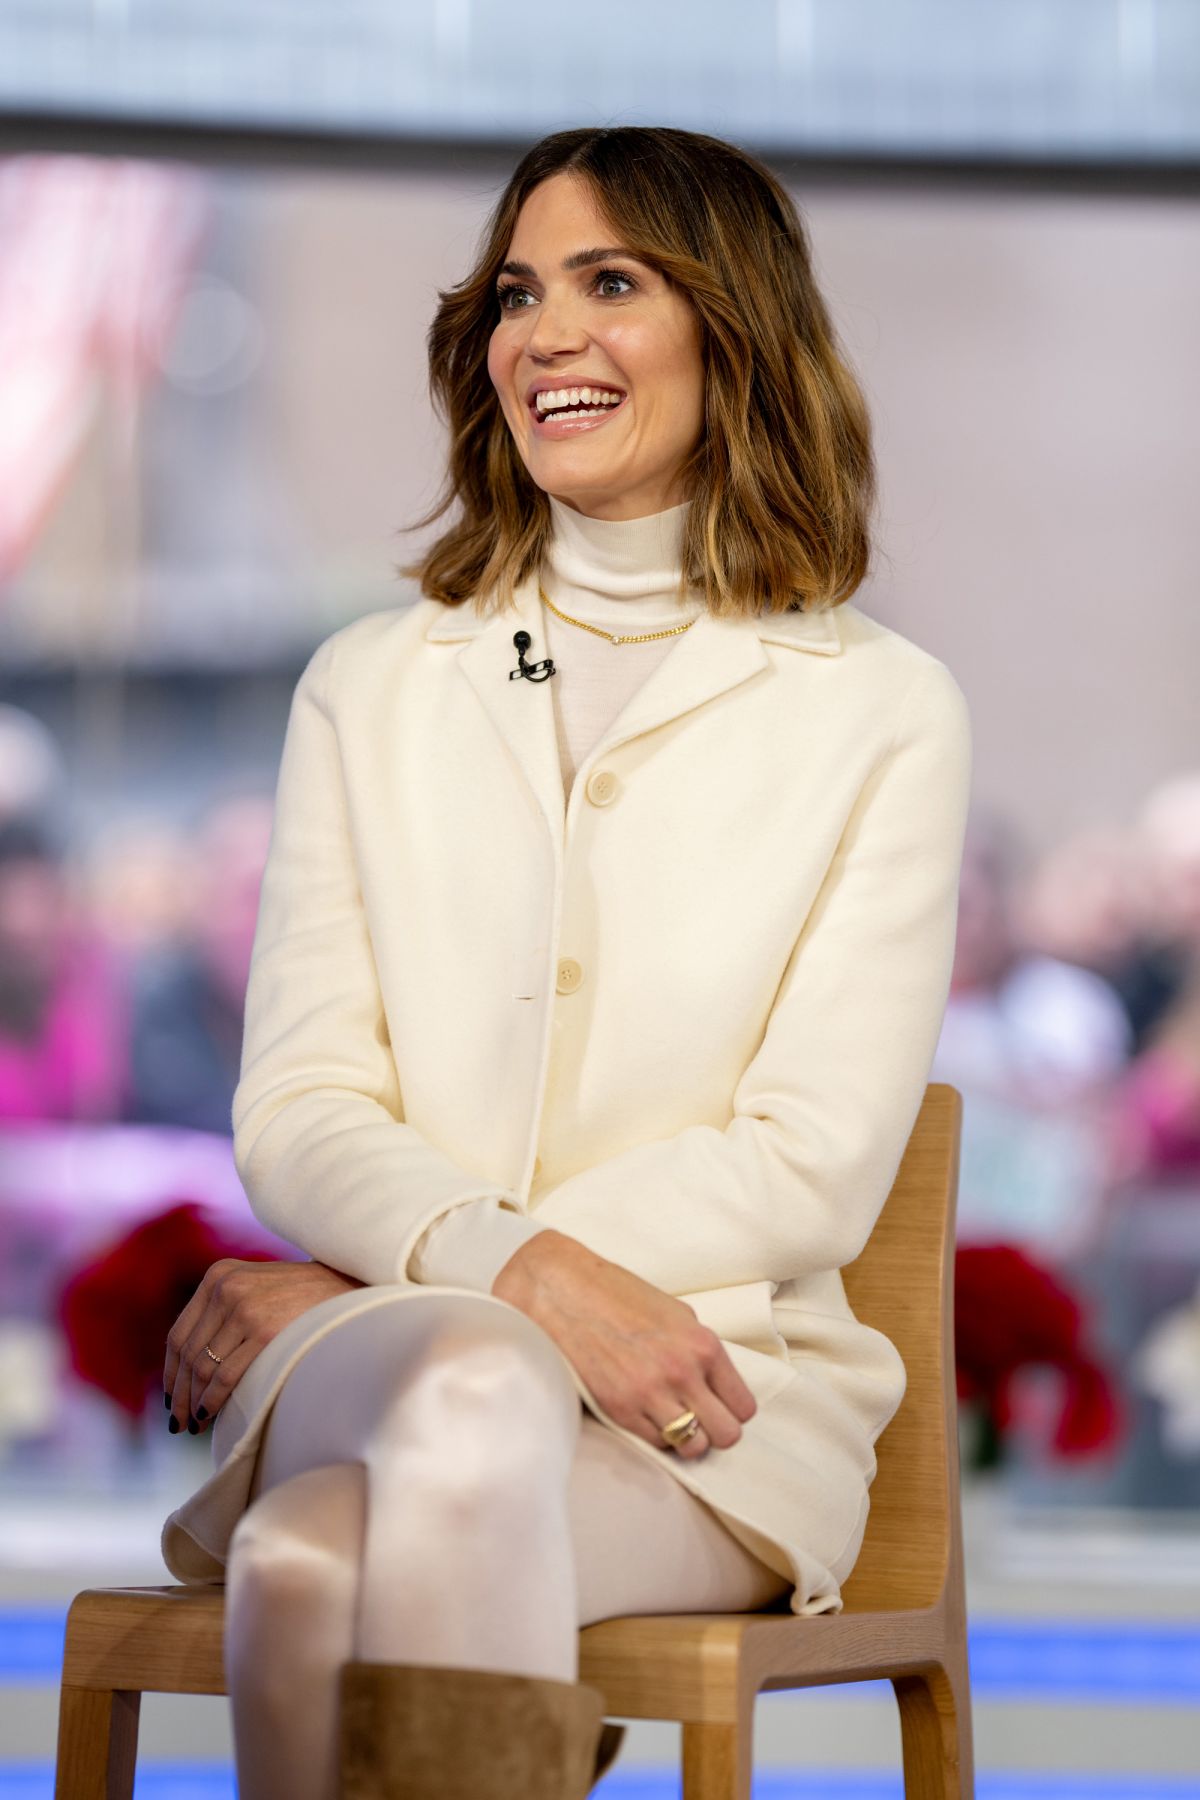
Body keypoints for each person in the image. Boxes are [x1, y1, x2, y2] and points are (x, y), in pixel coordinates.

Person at [158, 125, 972, 1800]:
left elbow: (809, 1170)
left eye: (613, 282)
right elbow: (302, 1103)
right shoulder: (368, 688)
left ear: (732, 328)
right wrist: (504, 1280)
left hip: (717, 1412)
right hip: (407, 1363)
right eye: (520, 293)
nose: (546, 335)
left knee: (316, 1563)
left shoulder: (883, 713)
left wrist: (418, 1267)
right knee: (462, 1387)